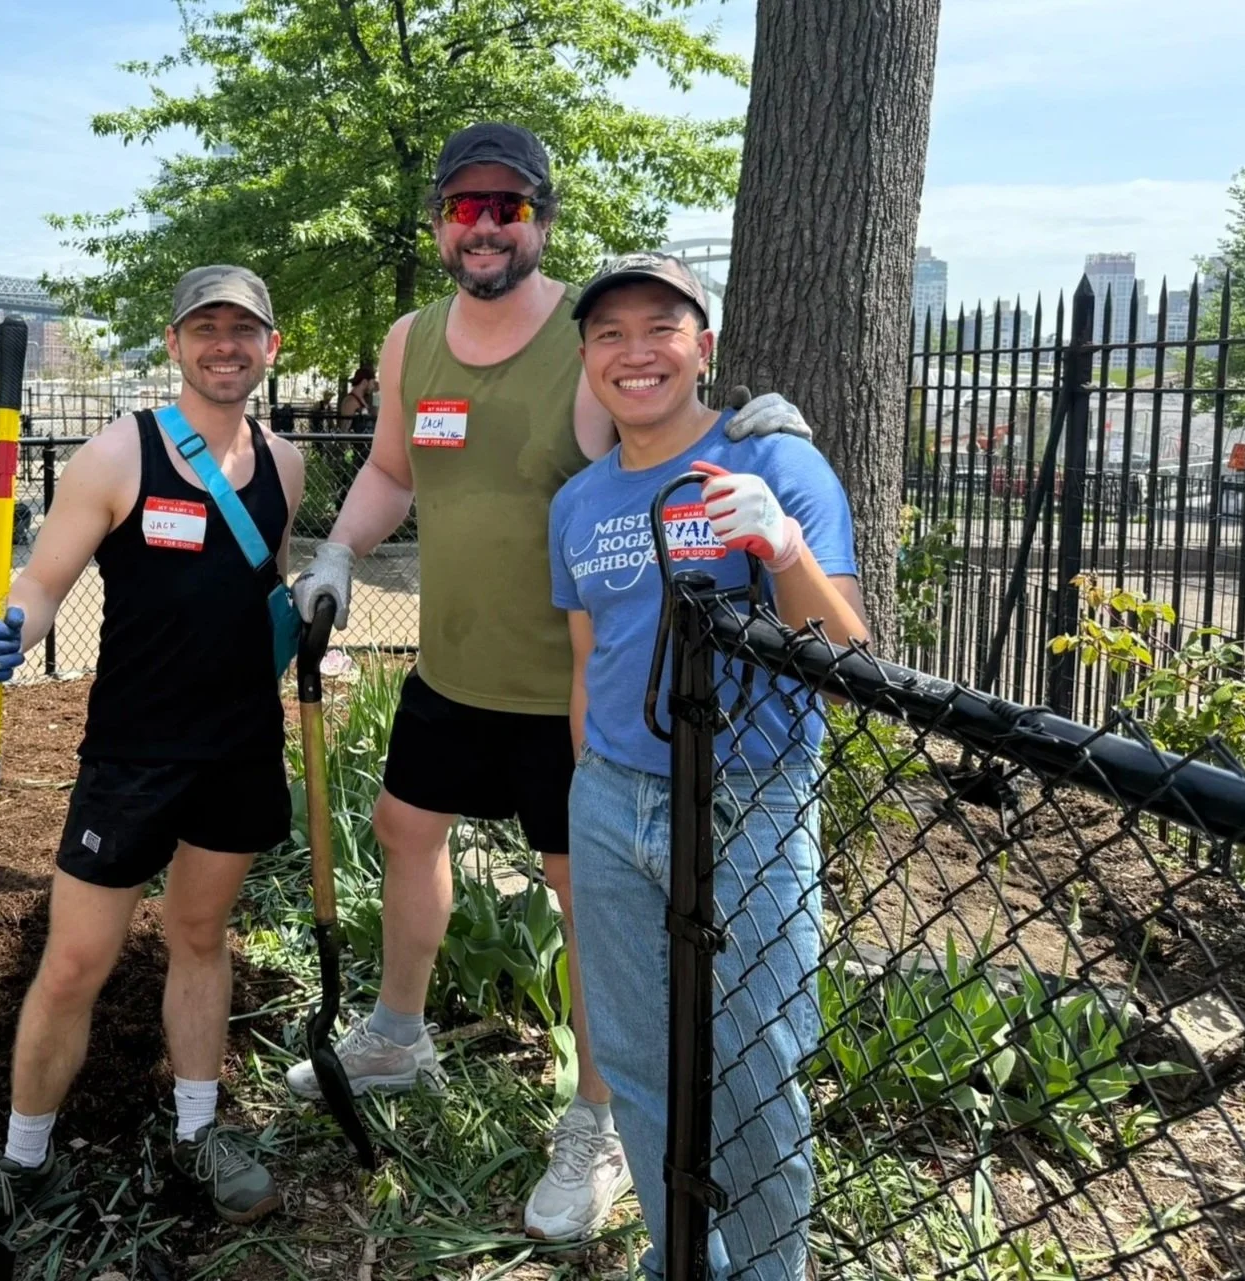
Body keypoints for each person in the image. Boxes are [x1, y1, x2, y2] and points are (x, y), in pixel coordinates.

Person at [284, 121, 814, 1242]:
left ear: (541, 221)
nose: (484, 226)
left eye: (507, 207)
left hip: (570, 691)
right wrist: (337, 550)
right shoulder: (409, 342)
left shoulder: (584, 339)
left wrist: (756, 436)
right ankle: (397, 1033)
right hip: (450, 666)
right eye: (463, 207)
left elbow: (659, 415)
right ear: (438, 223)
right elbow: (391, 469)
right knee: (402, 827)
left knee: (587, 901)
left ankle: (597, 1120)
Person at [0, 264, 306, 1229]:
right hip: (133, 755)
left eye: (244, 329)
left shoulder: (285, 463)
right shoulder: (118, 453)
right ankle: (23, 1156)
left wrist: (311, 602)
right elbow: (42, 583)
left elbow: (263, 584)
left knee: (200, 936)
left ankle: (197, 1129)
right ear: (176, 342)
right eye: (206, 328)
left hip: (240, 748)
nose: (225, 345)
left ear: (271, 346)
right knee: (74, 961)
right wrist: (4, 629)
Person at [549, 252, 869, 1278]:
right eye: (609, 334)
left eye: (661, 328)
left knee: (753, 1070)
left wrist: (782, 547)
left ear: (704, 347)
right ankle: (683, 1258)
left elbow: (849, 657)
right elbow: (589, 661)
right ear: (587, 359)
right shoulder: (578, 503)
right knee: (637, 1059)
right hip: (610, 802)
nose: (634, 352)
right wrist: (587, 789)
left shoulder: (771, 464)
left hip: (749, 801)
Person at [337, 366, 378, 431]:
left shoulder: (361, 399)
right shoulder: (351, 401)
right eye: (372, 383)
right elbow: (345, 428)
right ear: (364, 382)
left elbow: (376, 415)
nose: (373, 386)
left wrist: (376, 393)